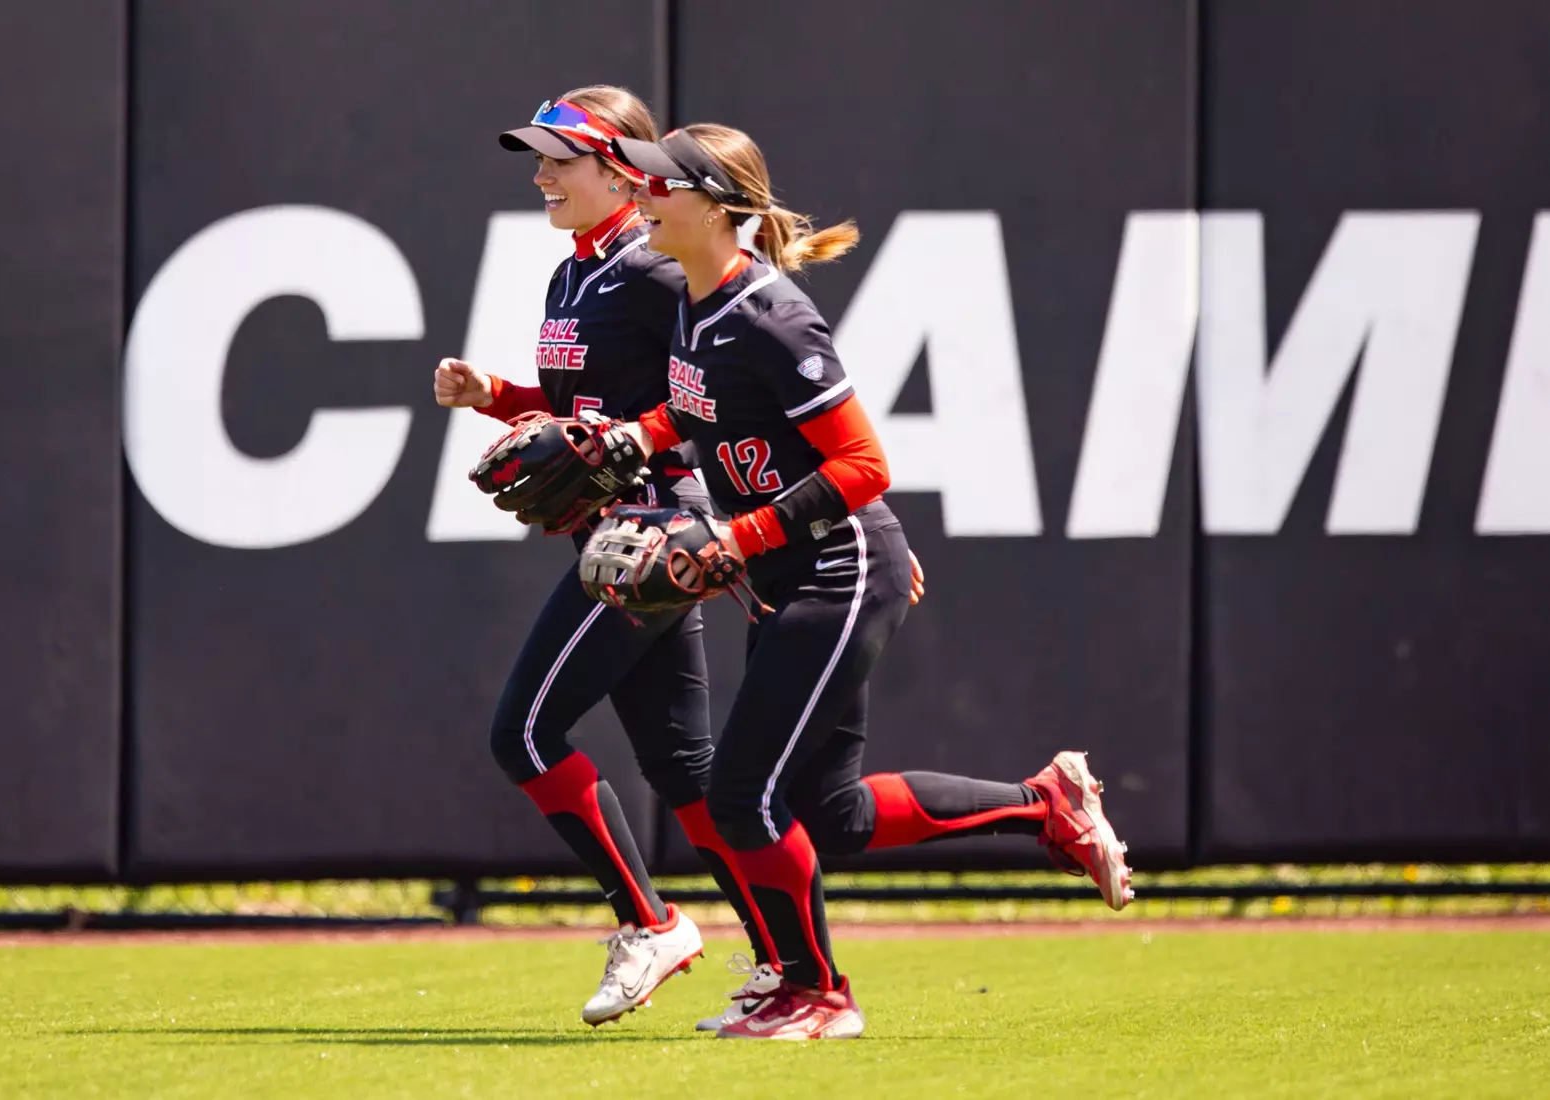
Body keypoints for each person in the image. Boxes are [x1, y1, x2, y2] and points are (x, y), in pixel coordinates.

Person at [597, 122, 1134, 1040]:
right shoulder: (696, 301)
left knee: (741, 796)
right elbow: (719, 421)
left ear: (719, 207)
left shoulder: (771, 313)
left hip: (834, 570)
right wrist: (638, 440)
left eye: (657, 183)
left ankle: (816, 993)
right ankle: (1047, 804)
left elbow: (862, 462)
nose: (639, 195)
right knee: (831, 814)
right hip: (792, 565)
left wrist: (748, 532)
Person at [432, 87, 776, 1030]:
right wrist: (495, 394)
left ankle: (652, 922)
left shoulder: (661, 269)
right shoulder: (574, 273)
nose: (541, 174)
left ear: (621, 165)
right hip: (613, 532)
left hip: (657, 529)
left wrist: (744, 523)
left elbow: (727, 390)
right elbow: (577, 412)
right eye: (536, 158)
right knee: (683, 765)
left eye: (560, 158)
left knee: (525, 732)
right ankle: (785, 957)